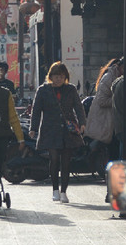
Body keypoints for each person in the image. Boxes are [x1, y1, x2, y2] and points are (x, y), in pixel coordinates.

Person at [29, 62, 86, 203]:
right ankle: (55, 189)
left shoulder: (71, 89)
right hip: (50, 129)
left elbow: (79, 107)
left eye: (61, 76)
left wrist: (82, 123)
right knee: (54, 159)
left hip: (68, 131)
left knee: (66, 162)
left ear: (65, 77)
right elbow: (36, 111)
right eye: (55, 76)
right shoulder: (43, 90)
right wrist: (33, 128)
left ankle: (64, 192)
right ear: (51, 77)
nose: (58, 79)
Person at [85, 57, 124, 169]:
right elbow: (102, 101)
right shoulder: (109, 78)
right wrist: (119, 100)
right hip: (108, 122)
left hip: (115, 122)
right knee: (114, 153)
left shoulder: (119, 77)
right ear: (120, 67)